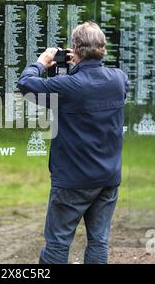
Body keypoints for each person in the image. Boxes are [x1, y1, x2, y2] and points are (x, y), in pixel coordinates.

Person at [17, 21, 129, 264]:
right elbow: (92, 89)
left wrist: (41, 63)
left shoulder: (68, 86)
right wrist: (76, 69)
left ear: (75, 49)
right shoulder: (119, 79)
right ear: (103, 49)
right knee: (99, 241)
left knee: (58, 244)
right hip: (108, 177)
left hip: (72, 180)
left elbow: (25, 85)